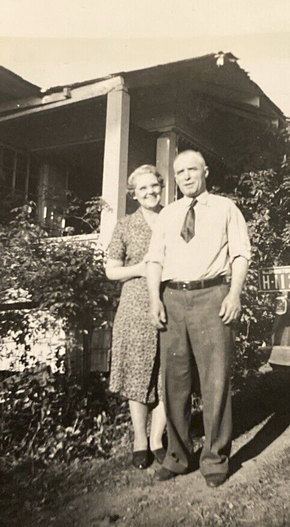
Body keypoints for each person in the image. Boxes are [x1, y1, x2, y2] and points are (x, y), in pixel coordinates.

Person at [146, 150, 251, 488]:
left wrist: (233, 295)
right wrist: (153, 300)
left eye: (192, 169)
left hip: (212, 297)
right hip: (172, 299)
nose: (186, 176)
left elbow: (240, 254)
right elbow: (154, 261)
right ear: (175, 178)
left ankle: (215, 459)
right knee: (174, 381)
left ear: (205, 170)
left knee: (215, 379)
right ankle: (178, 457)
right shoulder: (168, 215)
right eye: (180, 172)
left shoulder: (225, 208)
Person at [106, 165, 167, 469]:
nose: (149, 192)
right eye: (142, 189)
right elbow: (111, 270)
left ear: (162, 186)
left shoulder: (175, 218)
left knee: (168, 372)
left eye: (154, 186)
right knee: (137, 371)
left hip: (171, 300)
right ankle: (139, 440)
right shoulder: (125, 225)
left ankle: (157, 438)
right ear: (133, 194)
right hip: (135, 303)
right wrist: (141, 268)